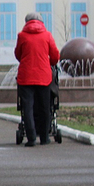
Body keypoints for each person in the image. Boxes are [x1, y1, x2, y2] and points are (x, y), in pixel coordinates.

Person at [14, 12, 60, 146]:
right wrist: (48, 63)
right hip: (43, 77)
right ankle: (45, 138)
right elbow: (55, 56)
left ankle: (31, 138)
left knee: (27, 108)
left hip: (26, 77)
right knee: (45, 107)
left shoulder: (22, 36)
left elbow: (18, 54)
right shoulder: (47, 35)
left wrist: (26, 60)